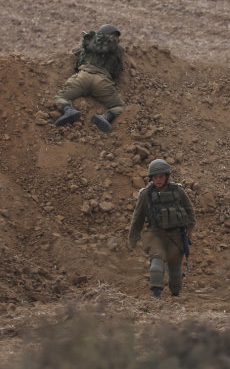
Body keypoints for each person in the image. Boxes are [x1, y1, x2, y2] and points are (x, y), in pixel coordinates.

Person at [128, 159, 196, 299]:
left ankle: (175, 295)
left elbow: (189, 211)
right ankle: (157, 296)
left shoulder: (178, 191)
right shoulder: (146, 194)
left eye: (161, 177)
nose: (158, 180)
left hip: (176, 236)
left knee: (175, 271)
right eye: (155, 177)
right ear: (151, 178)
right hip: (155, 235)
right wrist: (133, 238)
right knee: (156, 266)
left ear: (166, 176)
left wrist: (190, 228)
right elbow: (138, 218)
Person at [52, 24, 125, 133]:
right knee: (119, 106)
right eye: (116, 36)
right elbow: (117, 71)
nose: (119, 39)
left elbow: (76, 54)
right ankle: (105, 118)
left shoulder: (89, 43)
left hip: (83, 76)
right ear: (112, 36)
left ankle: (68, 111)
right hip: (102, 81)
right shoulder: (118, 49)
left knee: (60, 97)